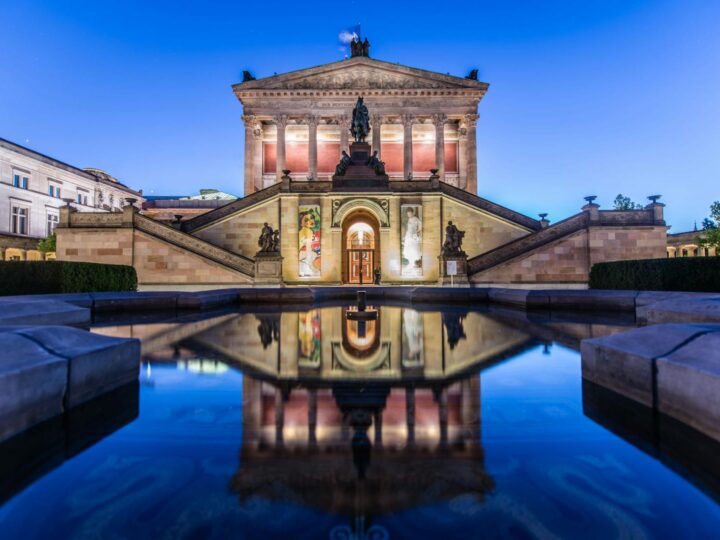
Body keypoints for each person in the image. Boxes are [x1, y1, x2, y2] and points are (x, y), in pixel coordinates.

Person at [403, 207, 422, 273]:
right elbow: (408, 228)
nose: (409, 215)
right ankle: (410, 263)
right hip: (408, 235)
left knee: (413, 249)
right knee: (408, 249)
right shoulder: (409, 219)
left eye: (410, 213)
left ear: (412, 213)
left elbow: (420, 226)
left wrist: (416, 232)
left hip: (413, 236)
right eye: (408, 214)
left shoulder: (416, 219)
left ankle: (413, 263)